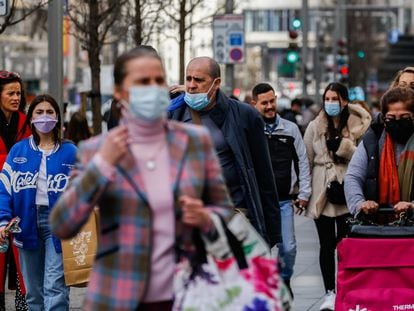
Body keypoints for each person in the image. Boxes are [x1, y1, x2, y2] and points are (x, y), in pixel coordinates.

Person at [50, 47, 234, 311]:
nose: (153, 88)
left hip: (188, 295)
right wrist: (102, 165)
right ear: (119, 92)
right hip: (117, 297)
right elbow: (63, 224)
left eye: (158, 80)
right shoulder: (95, 150)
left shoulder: (195, 142)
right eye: (141, 82)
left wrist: (207, 218)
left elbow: (225, 213)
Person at [168, 56, 281, 248]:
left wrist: (271, 232)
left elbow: (264, 175)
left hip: (235, 216)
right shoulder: (174, 115)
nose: (191, 85)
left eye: (199, 80)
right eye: (188, 79)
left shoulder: (244, 116)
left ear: (216, 83)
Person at [0, 94, 77, 310]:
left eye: (50, 112)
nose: (45, 117)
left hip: (59, 225)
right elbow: (4, 190)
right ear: (31, 118)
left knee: (55, 288)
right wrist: (2, 220)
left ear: (58, 117)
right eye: (39, 112)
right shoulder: (18, 151)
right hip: (25, 225)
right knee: (33, 292)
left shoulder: (70, 151)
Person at [303, 82, 371, 310]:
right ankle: (329, 293)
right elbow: (306, 159)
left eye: (335, 98)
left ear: (344, 100)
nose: (331, 103)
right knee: (325, 245)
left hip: (347, 186)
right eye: (327, 98)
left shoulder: (359, 125)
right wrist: (303, 192)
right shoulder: (315, 125)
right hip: (322, 189)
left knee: (345, 244)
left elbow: (365, 158)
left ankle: (345, 289)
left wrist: (343, 147)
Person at [252, 83, 311, 298]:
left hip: (284, 201)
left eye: (272, 101)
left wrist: (304, 193)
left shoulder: (290, 128)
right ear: (254, 104)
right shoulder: (251, 129)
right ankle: (266, 289)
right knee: (261, 249)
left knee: (288, 248)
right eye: (264, 103)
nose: (269, 106)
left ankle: (284, 279)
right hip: (258, 203)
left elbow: (302, 162)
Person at [345, 87, 414, 217]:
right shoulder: (373, 140)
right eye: (391, 118)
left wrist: (412, 206)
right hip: (378, 225)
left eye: (404, 117)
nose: (397, 121)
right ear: (383, 118)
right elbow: (353, 176)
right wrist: (360, 204)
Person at [0, 70, 31, 311]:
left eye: (18, 93)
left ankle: (24, 301)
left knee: (21, 253)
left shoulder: (24, 122)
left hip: (20, 195)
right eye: (10, 93)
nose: (16, 97)